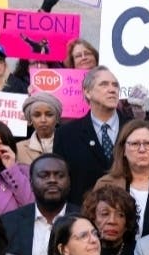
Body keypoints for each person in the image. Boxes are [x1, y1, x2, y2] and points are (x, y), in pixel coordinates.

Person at [54, 66, 132, 204]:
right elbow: (61, 181)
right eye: (104, 84)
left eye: (115, 85)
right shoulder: (66, 134)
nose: (112, 89)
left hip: (130, 215)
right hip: (82, 216)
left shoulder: (134, 129)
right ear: (87, 92)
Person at [2, 154, 79, 255]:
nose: (52, 180)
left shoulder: (84, 221)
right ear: (31, 184)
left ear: (70, 182)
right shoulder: (8, 223)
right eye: (44, 175)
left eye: (59, 175)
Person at [94, 119, 149, 237]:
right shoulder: (106, 184)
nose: (142, 149)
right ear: (123, 150)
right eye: (135, 144)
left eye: (148, 143)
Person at [81, 183, 139, 255]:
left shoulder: (138, 253)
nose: (112, 221)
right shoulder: (83, 252)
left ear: (127, 222)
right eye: (105, 214)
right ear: (93, 218)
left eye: (120, 215)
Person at [18, 93, 62, 165]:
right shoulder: (19, 149)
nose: (43, 120)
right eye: (37, 115)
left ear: (57, 118)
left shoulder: (68, 145)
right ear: (30, 119)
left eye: (49, 115)